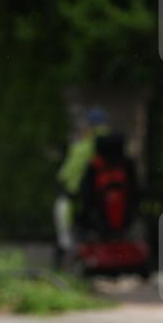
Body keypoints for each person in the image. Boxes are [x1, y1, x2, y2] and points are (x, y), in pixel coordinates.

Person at [53, 107, 108, 266]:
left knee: (61, 209)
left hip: (81, 197)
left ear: (89, 126)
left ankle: (65, 248)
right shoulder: (115, 145)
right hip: (108, 198)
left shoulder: (82, 147)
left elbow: (65, 174)